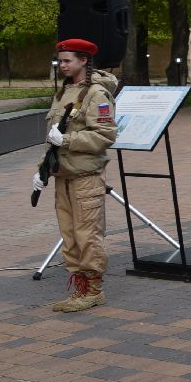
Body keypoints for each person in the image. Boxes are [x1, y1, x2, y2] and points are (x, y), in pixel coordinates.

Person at [32, 38, 119, 313]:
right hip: (63, 175)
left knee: (87, 234)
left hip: (85, 177)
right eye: (61, 60)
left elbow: (104, 135)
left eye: (68, 60)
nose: (62, 64)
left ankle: (94, 290)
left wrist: (67, 141)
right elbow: (52, 140)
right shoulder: (63, 92)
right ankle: (80, 288)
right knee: (69, 234)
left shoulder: (96, 94)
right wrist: (41, 170)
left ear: (84, 61)